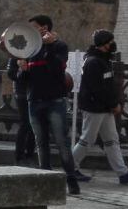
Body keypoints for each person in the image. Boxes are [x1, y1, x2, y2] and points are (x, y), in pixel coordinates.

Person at [17, 15, 81, 195]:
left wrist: (50, 46)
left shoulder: (59, 46)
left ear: (44, 28)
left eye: (34, 28)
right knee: (41, 143)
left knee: (62, 142)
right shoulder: (30, 49)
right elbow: (24, 80)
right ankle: (45, 182)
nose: (30, 32)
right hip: (34, 101)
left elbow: (57, 69)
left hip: (55, 101)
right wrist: (23, 70)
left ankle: (71, 180)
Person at [72, 29, 128, 185]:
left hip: (104, 108)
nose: (113, 44)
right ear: (103, 44)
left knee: (112, 140)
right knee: (87, 139)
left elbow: (107, 86)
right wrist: (113, 104)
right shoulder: (93, 62)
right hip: (94, 108)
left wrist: (112, 104)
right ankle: (70, 169)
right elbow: (97, 89)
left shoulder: (103, 60)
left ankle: (123, 173)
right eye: (110, 42)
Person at [5, 54, 38, 164]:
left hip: (35, 92)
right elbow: (11, 74)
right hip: (22, 93)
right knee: (25, 123)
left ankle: (30, 153)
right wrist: (22, 69)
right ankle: (19, 156)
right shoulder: (17, 53)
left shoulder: (37, 51)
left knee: (34, 124)